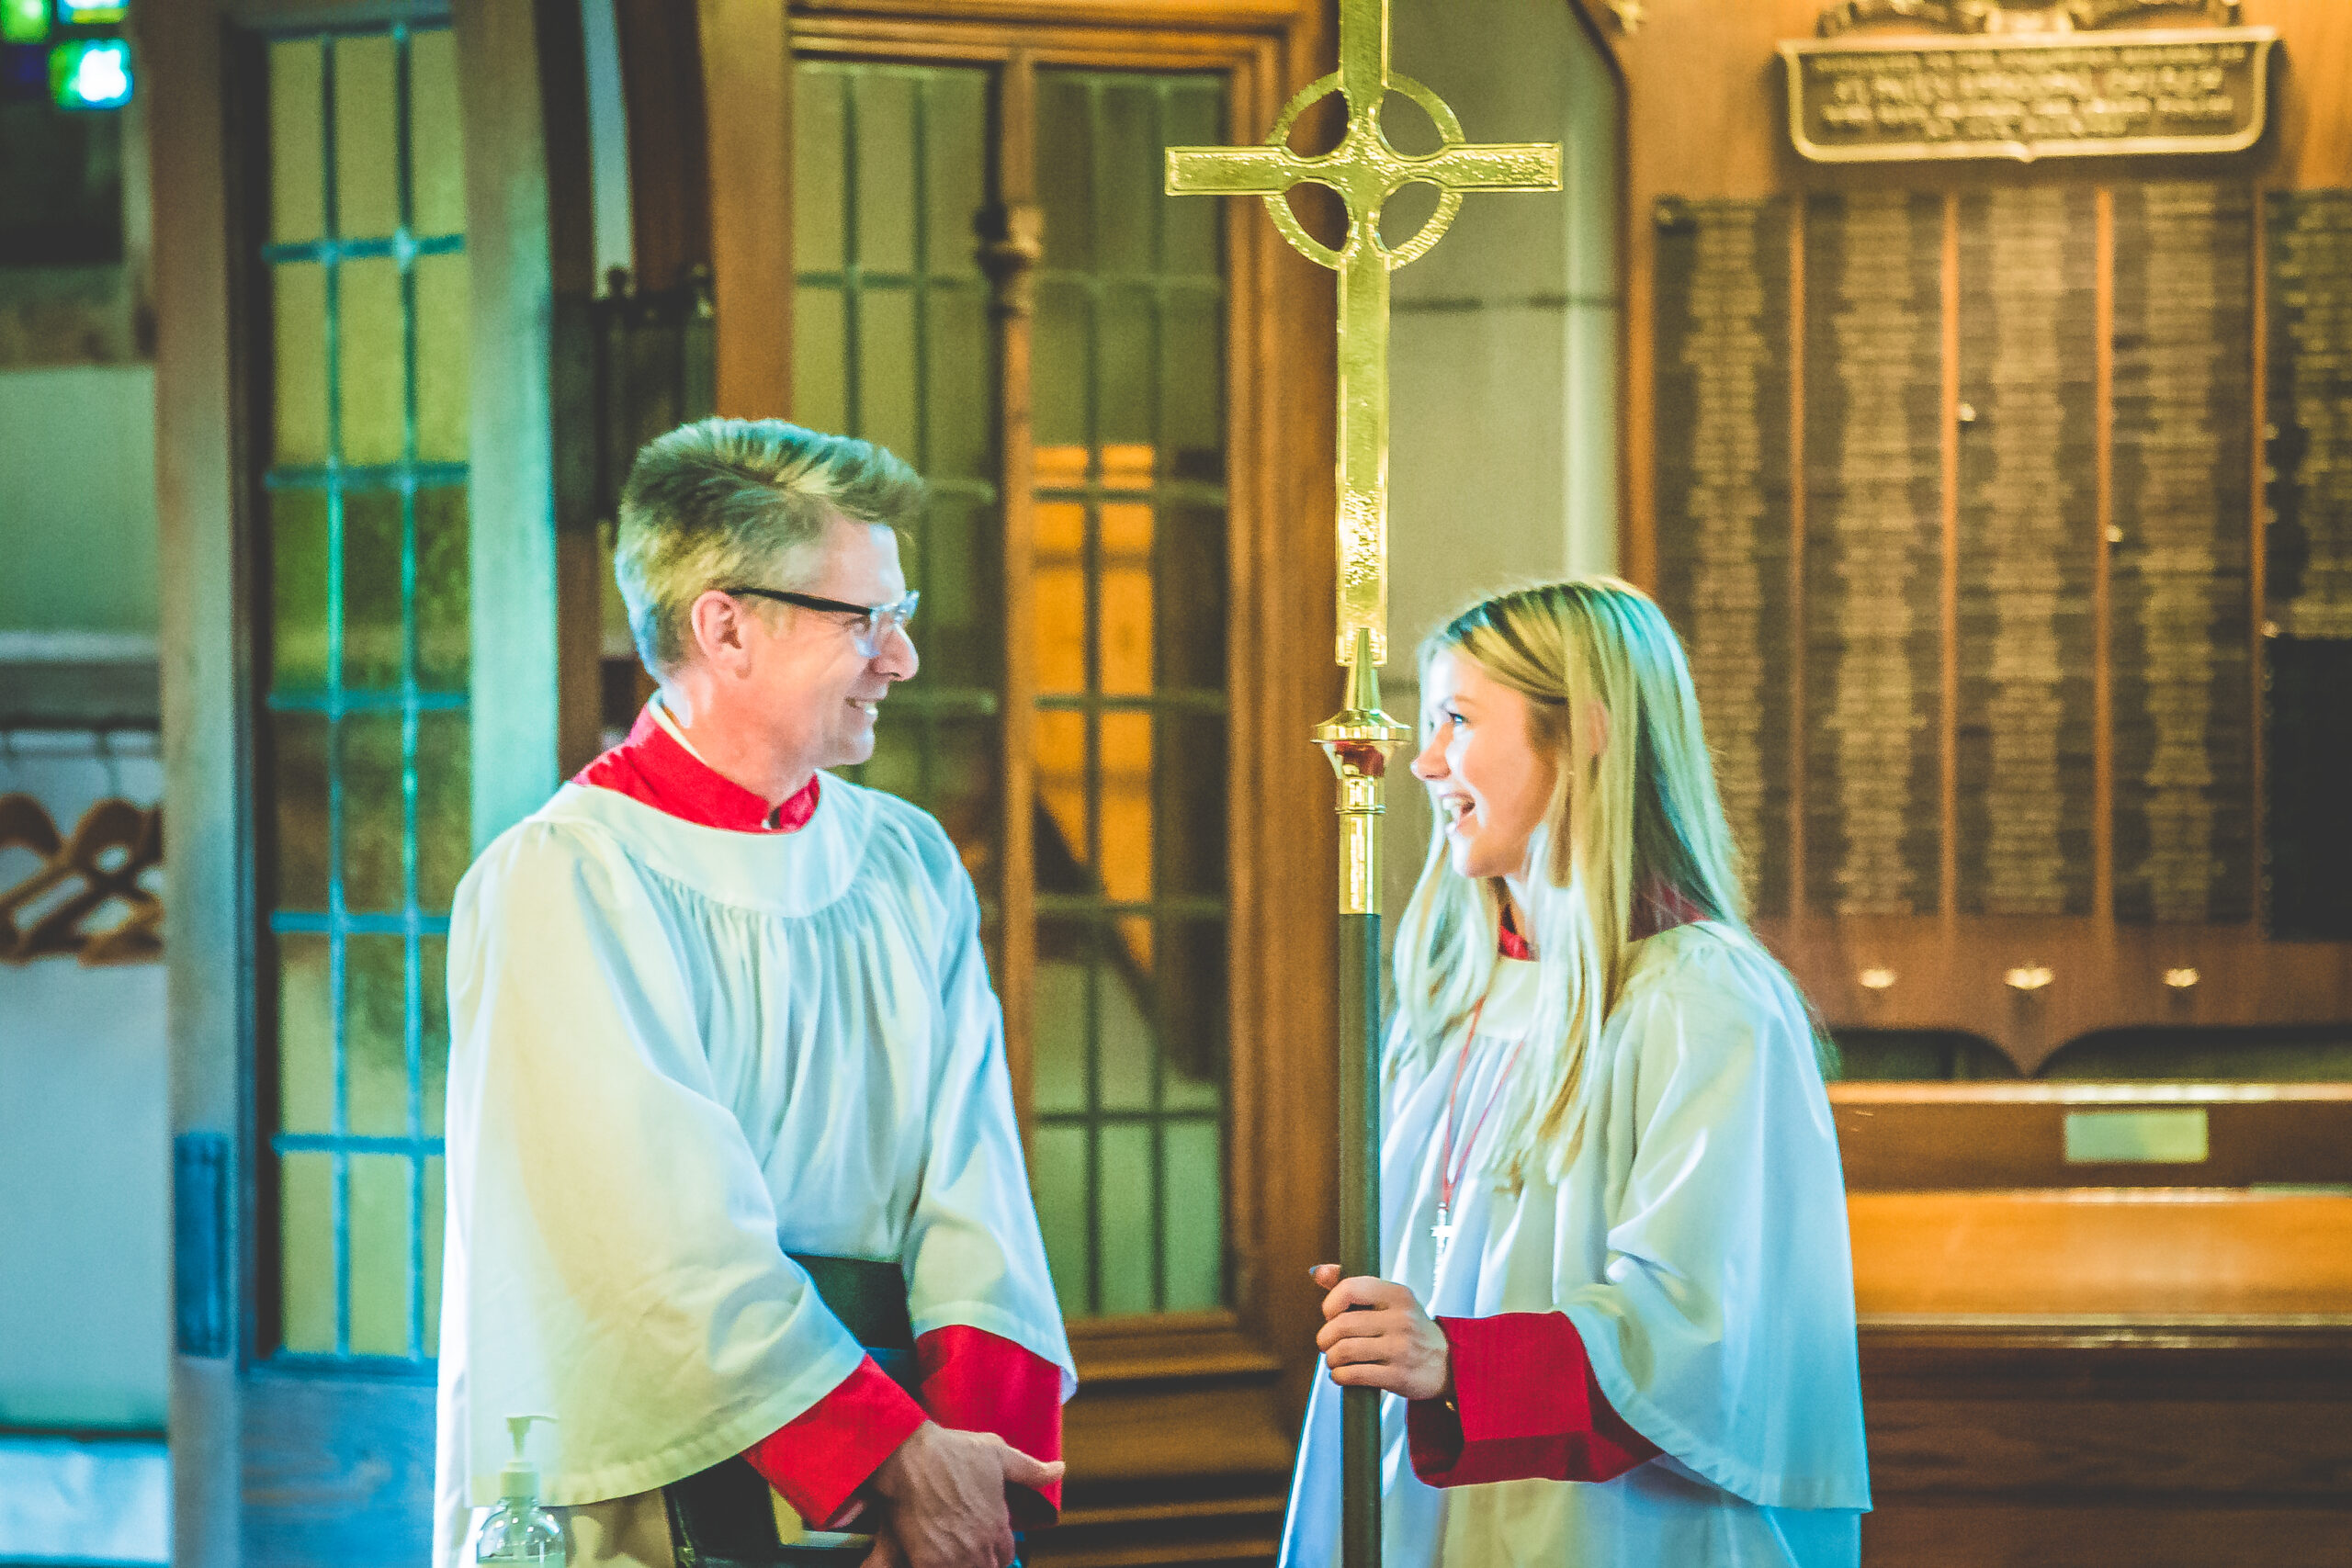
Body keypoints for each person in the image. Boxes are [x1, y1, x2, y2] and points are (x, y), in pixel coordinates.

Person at [435, 419, 1073, 1568]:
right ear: (723, 626)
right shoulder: (568, 880)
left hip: (911, 1468)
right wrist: (891, 1462)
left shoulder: (904, 861)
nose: (901, 658)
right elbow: (649, 1240)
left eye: (901, 613)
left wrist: (970, 1466)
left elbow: (974, 1180)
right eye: (865, 620)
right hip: (670, 1475)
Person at [1279, 579, 1870, 1567]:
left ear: (1586, 730)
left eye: (1456, 721)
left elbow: (1703, 1332)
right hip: (1425, 1503)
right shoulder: (1454, 997)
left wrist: (1456, 1361)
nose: (1422, 763)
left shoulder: (1698, 1002)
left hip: (1623, 1524)